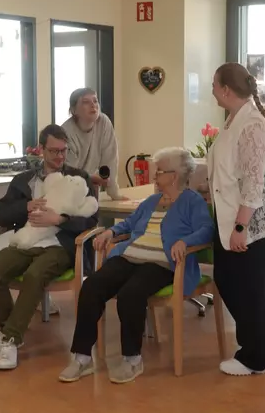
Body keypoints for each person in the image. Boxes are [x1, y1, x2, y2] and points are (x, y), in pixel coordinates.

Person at [58, 147, 213, 384]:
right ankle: (82, 357)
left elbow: (207, 230)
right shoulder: (151, 201)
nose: (154, 176)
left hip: (162, 263)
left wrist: (185, 241)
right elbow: (129, 223)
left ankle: (132, 359)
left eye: (159, 171)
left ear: (174, 176)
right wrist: (111, 232)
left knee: (131, 294)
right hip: (129, 256)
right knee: (92, 287)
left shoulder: (193, 202)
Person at [0, 124, 98, 370]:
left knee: (35, 275)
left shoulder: (78, 178)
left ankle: (11, 340)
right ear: (41, 149)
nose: (60, 157)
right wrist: (25, 207)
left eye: (63, 151)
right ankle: (7, 331)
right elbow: (1, 214)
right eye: (54, 151)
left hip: (60, 245)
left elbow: (92, 219)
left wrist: (60, 220)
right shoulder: (24, 180)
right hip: (26, 240)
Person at [207, 62, 265, 376]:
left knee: (250, 288)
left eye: (214, 85)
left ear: (226, 90)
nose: (212, 90)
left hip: (254, 219)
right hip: (234, 215)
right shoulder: (234, 118)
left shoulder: (252, 124)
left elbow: (254, 183)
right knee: (228, 280)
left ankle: (256, 357)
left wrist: (240, 227)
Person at [61, 88, 127, 200]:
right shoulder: (66, 132)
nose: (93, 105)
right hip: (67, 191)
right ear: (73, 110)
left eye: (95, 101)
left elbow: (110, 159)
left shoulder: (103, 122)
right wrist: (91, 178)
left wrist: (114, 193)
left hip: (89, 188)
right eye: (86, 102)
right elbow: (69, 173)